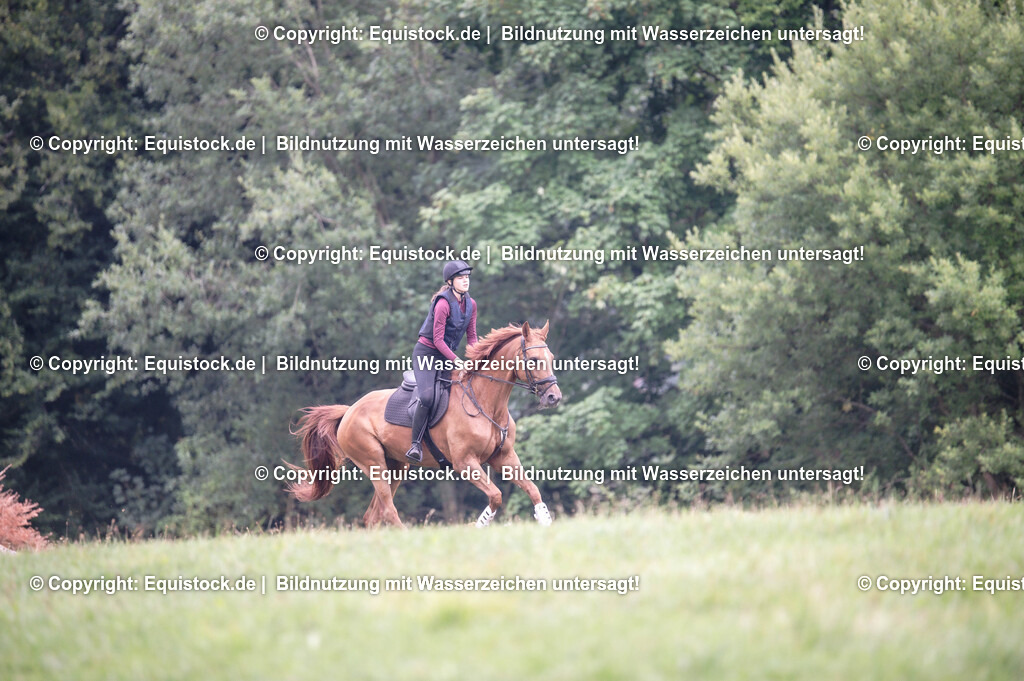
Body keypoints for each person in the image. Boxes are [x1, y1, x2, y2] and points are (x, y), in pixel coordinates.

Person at [405, 260, 477, 462]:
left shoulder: (471, 304)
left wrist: (475, 358)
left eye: (467, 277)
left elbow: (472, 336)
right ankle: (415, 445)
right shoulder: (443, 303)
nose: (465, 281)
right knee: (428, 397)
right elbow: (437, 340)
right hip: (427, 354)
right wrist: (458, 361)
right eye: (461, 278)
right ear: (450, 281)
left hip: (446, 356)